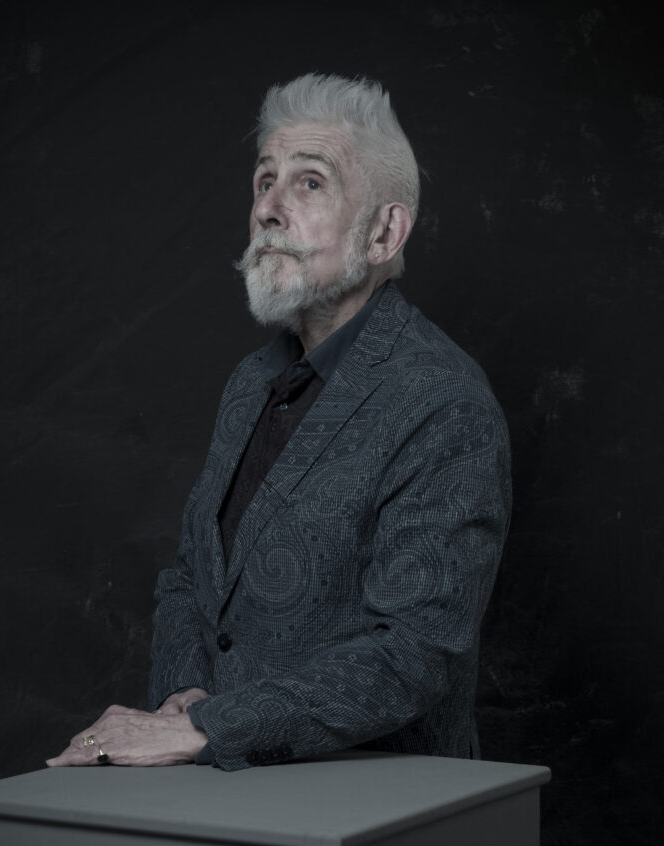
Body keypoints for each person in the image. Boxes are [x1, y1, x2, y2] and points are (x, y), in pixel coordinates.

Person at [47, 73, 511, 772]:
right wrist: (184, 699)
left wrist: (211, 726)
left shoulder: (444, 402)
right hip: (229, 792)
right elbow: (189, 580)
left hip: (379, 815)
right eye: (264, 180)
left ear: (384, 231)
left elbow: (415, 649)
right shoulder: (251, 381)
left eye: (309, 183)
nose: (267, 206)